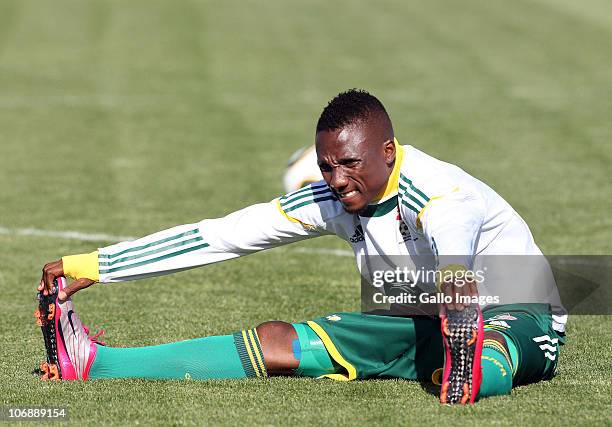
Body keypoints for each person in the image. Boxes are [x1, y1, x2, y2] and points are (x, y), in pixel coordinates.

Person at [37, 89, 566, 404]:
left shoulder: (443, 195)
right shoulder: (333, 196)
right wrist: (98, 264)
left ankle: (468, 367)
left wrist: (461, 322)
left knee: (484, 351)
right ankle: (97, 364)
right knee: (278, 340)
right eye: (326, 165)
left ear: (388, 151)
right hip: (426, 315)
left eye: (350, 163)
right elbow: (222, 235)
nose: (336, 179)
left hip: (520, 313)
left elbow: (456, 270)